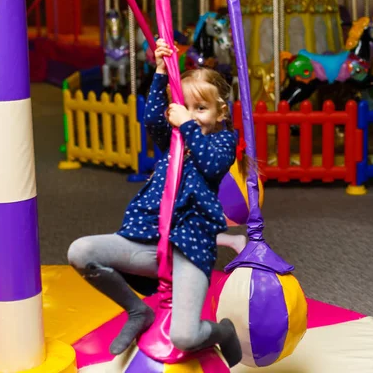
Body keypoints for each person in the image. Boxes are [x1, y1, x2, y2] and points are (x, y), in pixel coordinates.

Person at [67, 38, 243, 367]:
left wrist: (187, 124)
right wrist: (161, 71)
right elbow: (152, 121)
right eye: (184, 106)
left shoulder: (221, 141)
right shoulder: (173, 138)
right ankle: (138, 310)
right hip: (150, 240)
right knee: (81, 252)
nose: (191, 115)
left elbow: (211, 164)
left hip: (189, 249)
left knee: (185, 336)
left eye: (201, 108)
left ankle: (223, 332)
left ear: (221, 112)